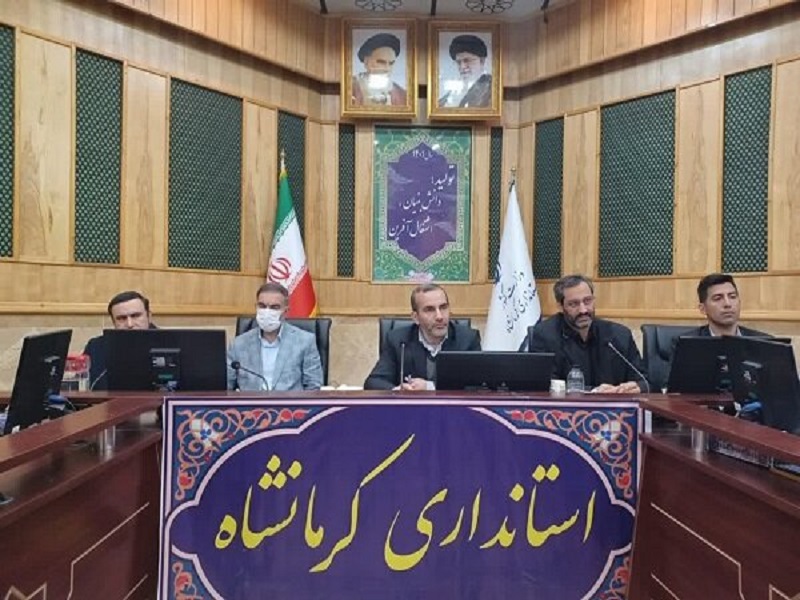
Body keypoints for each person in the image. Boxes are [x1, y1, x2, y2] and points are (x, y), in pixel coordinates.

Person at [526, 274, 648, 393]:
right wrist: (594, 392)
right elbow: (543, 387)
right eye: (574, 304)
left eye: (587, 301)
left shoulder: (620, 335)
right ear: (560, 306)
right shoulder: (545, 335)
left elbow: (644, 380)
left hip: (615, 405)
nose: (583, 310)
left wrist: (636, 387)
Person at [364, 283, 481, 390]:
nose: (439, 316)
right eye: (430, 310)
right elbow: (374, 382)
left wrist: (430, 387)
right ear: (416, 317)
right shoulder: (397, 340)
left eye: (443, 307)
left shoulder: (467, 339)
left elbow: (478, 385)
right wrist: (398, 390)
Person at [227, 282, 322, 392]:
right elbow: (225, 387)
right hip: (251, 403)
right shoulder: (238, 344)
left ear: (285, 311)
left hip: (290, 403)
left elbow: (313, 386)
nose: (267, 312)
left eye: (274, 307)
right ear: (256, 307)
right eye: (262, 306)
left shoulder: (305, 341)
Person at [83, 290, 155, 390]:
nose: (129, 324)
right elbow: (83, 384)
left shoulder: (168, 342)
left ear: (149, 316)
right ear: (114, 322)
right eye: (122, 318)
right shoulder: (96, 347)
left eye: (135, 316)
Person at [683, 273, 769, 337]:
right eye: (718, 298)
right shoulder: (685, 345)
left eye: (732, 297)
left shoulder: (764, 343)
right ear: (703, 309)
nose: (727, 304)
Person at [351, 32, 407, 107]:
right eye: (381, 62)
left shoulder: (401, 94)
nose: (387, 69)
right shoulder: (350, 87)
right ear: (366, 62)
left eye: (391, 63)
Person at [438, 34, 492, 108]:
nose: (462, 67)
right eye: (458, 62)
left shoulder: (492, 89)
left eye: (467, 60)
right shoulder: (451, 93)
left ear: (482, 61)